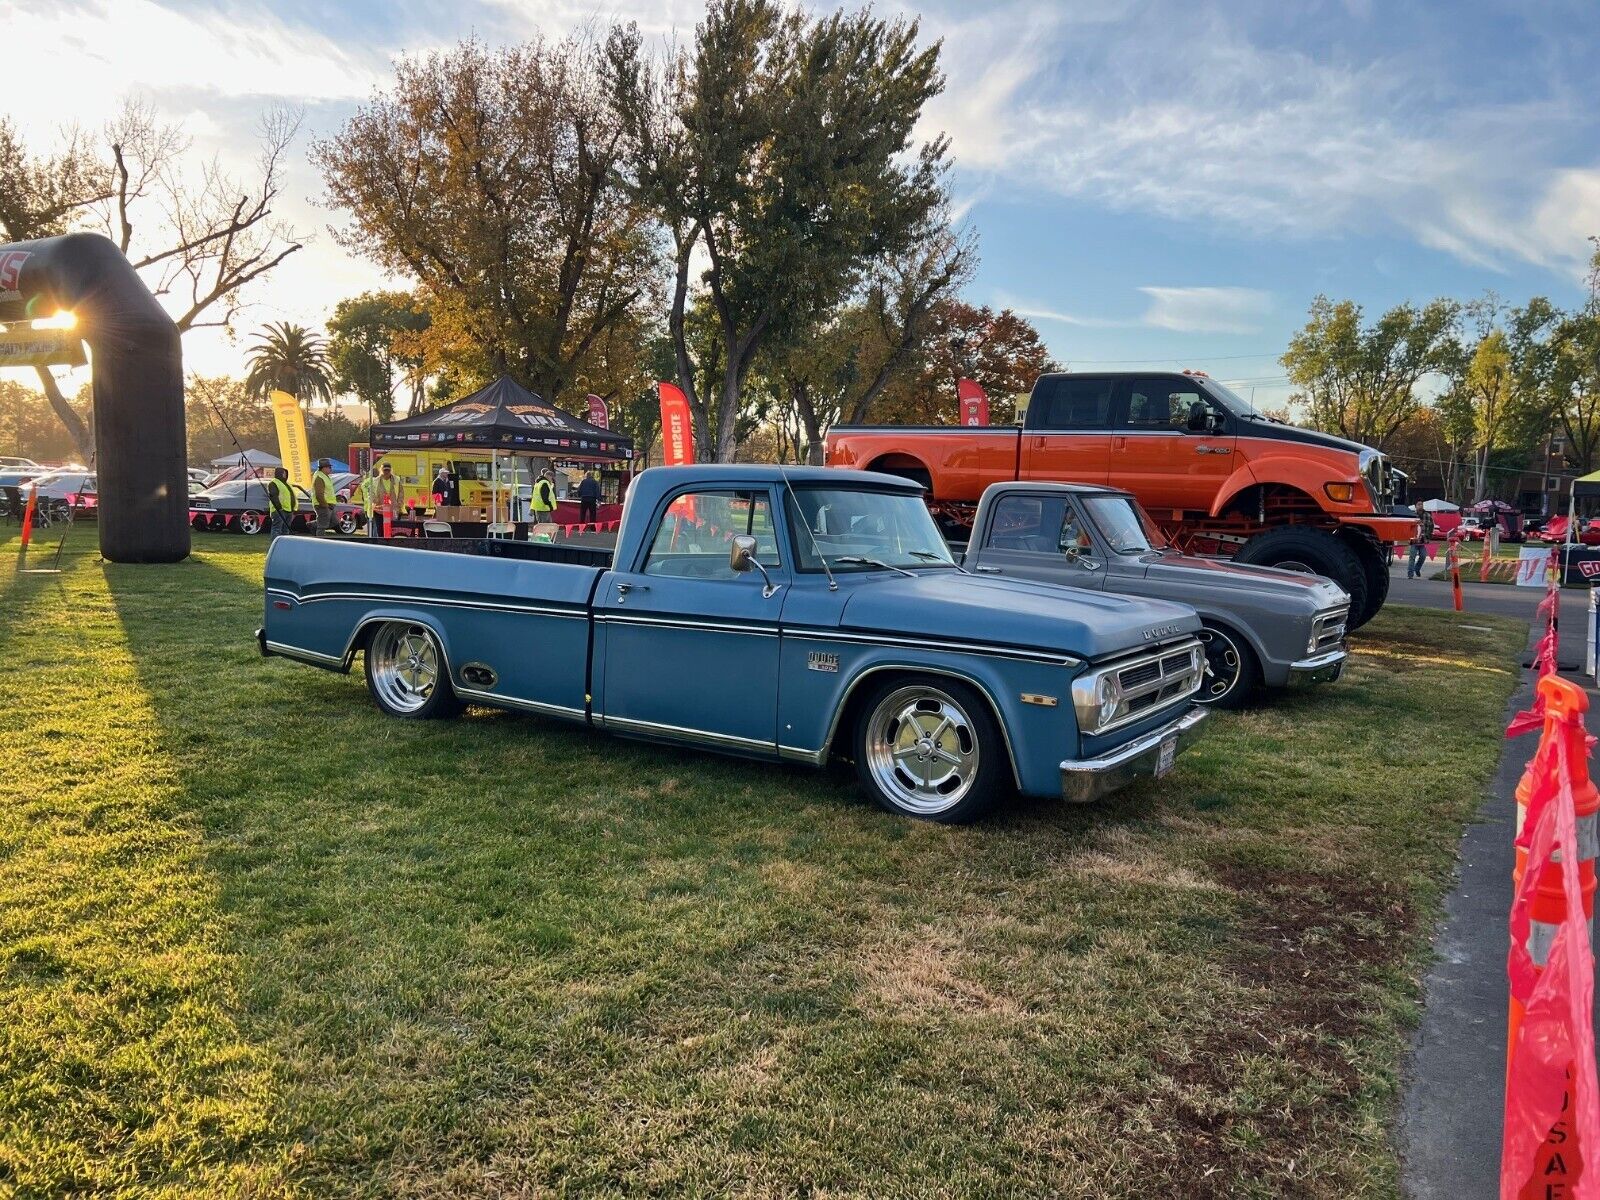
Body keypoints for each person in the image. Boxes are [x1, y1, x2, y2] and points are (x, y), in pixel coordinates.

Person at [369, 461, 403, 537]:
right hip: (379, 511)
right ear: (381, 470)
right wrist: (375, 501)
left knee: (393, 532)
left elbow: (401, 493)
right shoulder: (375, 481)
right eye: (385, 470)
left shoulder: (397, 480)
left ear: (391, 470)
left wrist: (399, 504)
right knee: (380, 532)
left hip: (393, 511)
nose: (386, 472)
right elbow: (371, 494)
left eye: (388, 470)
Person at [266, 467, 296, 540]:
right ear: (280, 473)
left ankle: (284, 545)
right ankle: (276, 545)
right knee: (277, 529)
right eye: (284, 473)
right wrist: (279, 508)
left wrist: (292, 509)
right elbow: (274, 496)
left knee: (286, 530)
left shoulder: (286, 484)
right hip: (279, 510)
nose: (285, 474)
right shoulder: (273, 483)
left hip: (288, 510)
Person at [1407, 509, 1434, 579]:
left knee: (1423, 556)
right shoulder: (1412, 515)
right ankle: (1410, 573)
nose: (1420, 506)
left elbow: (1431, 526)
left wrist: (1429, 535)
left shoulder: (1427, 515)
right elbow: (1408, 526)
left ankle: (1417, 568)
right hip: (1414, 541)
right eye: (1418, 505)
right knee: (1412, 557)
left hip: (1423, 541)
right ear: (1416, 506)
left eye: (1421, 504)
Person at [312, 458, 336, 534]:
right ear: (324, 468)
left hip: (328, 505)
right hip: (323, 505)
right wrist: (325, 505)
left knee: (334, 522)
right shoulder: (319, 478)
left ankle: (312, 525)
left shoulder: (324, 476)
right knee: (322, 526)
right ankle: (320, 541)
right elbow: (319, 494)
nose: (330, 469)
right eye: (329, 467)